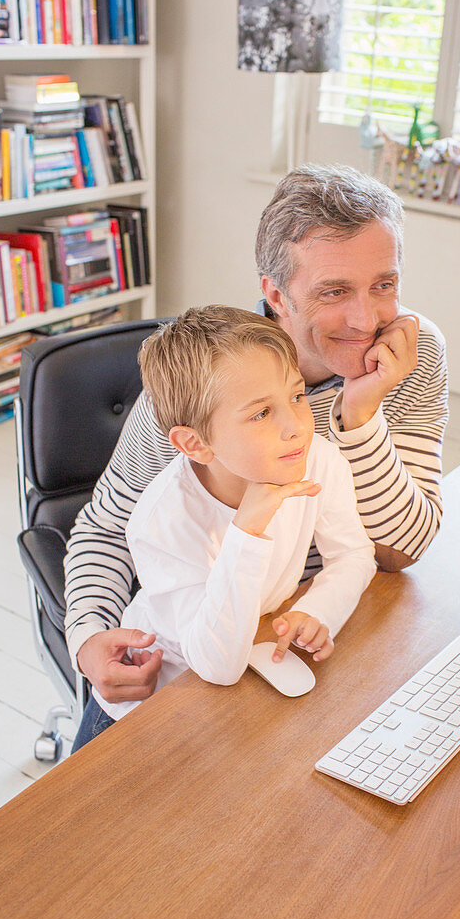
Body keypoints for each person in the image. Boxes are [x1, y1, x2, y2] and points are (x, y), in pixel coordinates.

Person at [65, 164, 448, 718]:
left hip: (302, 627)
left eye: (383, 285)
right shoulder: (205, 398)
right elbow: (106, 529)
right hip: (187, 649)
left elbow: (401, 549)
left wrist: (360, 416)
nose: (367, 318)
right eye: (334, 291)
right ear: (275, 294)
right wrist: (86, 639)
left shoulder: (408, 354)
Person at [73, 306, 375, 748]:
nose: (296, 427)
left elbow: (353, 554)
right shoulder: (162, 520)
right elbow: (215, 664)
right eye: (261, 414)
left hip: (245, 664)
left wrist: (320, 611)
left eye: (296, 397)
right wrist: (247, 529)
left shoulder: (317, 460)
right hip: (157, 696)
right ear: (196, 444)